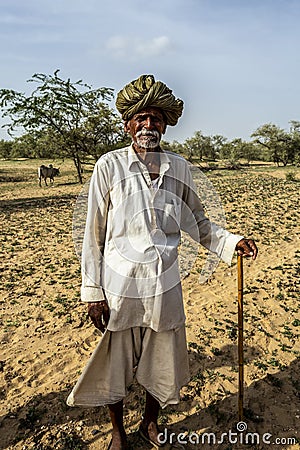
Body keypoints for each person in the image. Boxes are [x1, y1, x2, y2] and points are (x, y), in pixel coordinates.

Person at [67, 75, 258, 450]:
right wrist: (92, 290)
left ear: (166, 126)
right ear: (128, 125)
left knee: (163, 361)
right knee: (115, 364)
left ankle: (149, 424)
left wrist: (231, 241)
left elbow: (199, 222)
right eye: (141, 118)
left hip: (165, 284)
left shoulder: (179, 168)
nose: (148, 125)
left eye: (156, 118)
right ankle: (117, 431)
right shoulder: (109, 166)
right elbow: (93, 233)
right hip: (119, 286)